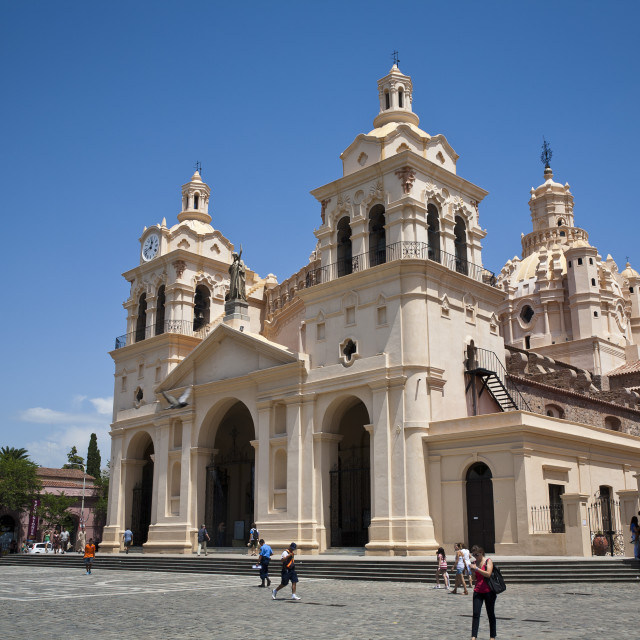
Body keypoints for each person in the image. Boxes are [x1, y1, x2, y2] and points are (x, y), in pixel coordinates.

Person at [470, 546, 496, 640]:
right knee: (476, 614)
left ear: (481, 552)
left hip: (488, 591)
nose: (475, 557)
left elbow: (488, 574)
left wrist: (477, 569)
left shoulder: (488, 561)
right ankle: (474, 636)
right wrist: (472, 572)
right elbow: (474, 579)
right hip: (477, 590)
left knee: (490, 614)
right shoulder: (474, 563)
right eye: (473, 555)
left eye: (477, 554)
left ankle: (492, 636)